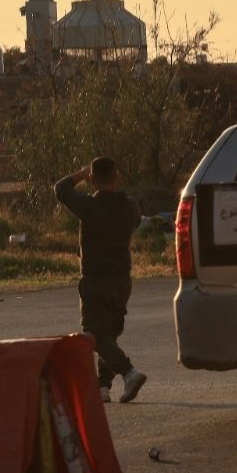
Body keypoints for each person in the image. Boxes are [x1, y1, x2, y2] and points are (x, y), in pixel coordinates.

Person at [55, 157, 147, 404]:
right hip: (122, 279)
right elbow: (137, 220)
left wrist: (81, 173)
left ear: (93, 180)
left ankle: (129, 372)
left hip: (96, 278)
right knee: (109, 335)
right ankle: (103, 386)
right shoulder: (130, 205)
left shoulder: (89, 206)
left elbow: (60, 188)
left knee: (95, 334)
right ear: (116, 177)